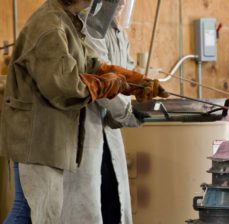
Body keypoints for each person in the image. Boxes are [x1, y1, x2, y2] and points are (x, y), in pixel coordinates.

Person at [1, 0, 167, 223]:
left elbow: (91, 63)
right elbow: (64, 87)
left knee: (30, 211)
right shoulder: (50, 26)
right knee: (31, 212)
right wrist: (109, 85)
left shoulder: (67, 20)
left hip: (49, 139)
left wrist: (134, 83)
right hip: (38, 140)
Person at [61, 0, 140, 223]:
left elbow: (127, 73)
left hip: (108, 130)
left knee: (113, 202)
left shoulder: (118, 33)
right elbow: (103, 76)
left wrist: (143, 87)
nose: (124, 3)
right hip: (86, 125)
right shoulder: (90, 27)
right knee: (90, 205)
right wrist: (128, 112)